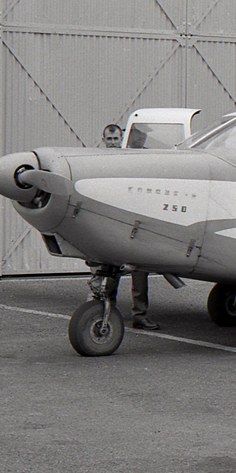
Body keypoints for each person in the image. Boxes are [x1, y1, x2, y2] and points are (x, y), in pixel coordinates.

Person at [86, 123, 158, 330]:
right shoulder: (95, 163)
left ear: (122, 139)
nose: (112, 143)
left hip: (132, 223)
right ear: (103, 141)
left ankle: (140, 315)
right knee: (108, 271)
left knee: (139, 269)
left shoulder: (132, 161)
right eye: (109, 140)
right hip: (110, 225)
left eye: (116, 139)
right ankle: (106, 313)